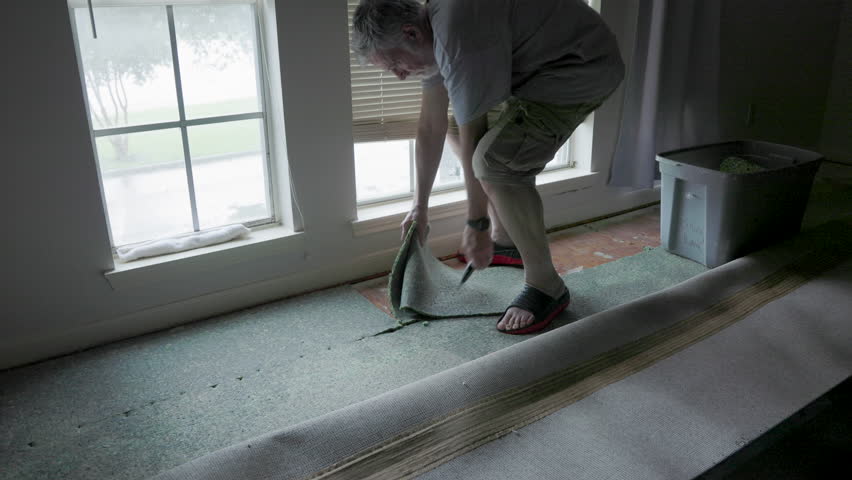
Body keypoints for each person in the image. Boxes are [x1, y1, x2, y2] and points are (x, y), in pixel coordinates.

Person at [352, 0, 624, 334]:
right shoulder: (432, 34)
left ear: (410, 33)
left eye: (395, 63)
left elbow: (475, 128)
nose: (399, 75)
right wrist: (419, 208)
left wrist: (475, 222)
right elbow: (431, 127)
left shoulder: (457, 30)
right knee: (460, 133)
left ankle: (546, 286)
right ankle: (506, 238)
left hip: (580, 67)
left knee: (496, 163)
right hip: (538, 69)